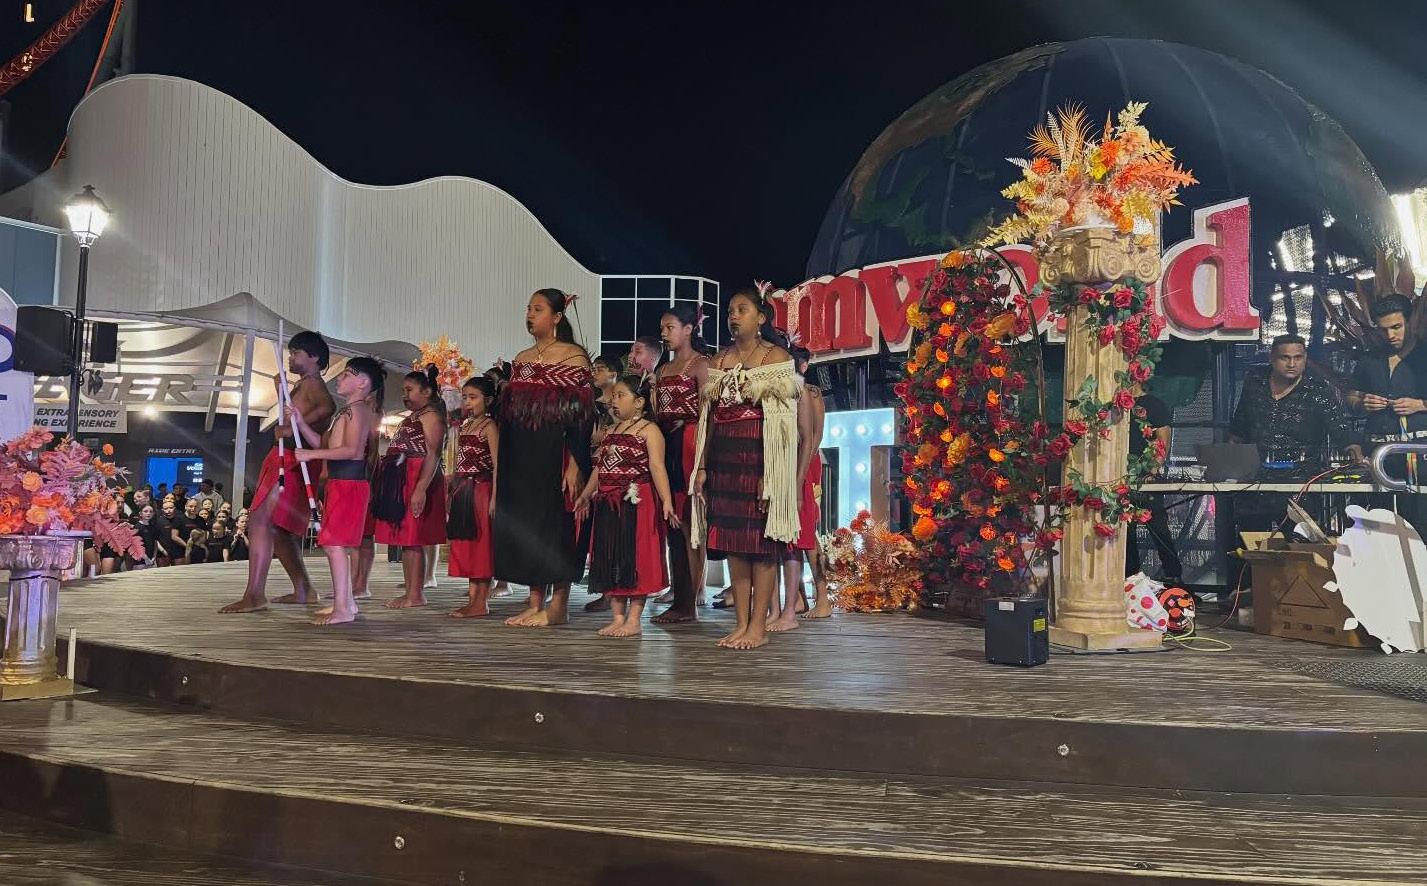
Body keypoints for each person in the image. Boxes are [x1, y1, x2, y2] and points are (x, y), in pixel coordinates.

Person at [691, 286, 802, 650]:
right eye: (730, 311)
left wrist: (772, 475)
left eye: (742, 309)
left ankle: (758, 626)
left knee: (761, 545)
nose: (733, 316)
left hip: (759, 459)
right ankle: (740, 623)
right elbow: (708, 420)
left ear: (761, 318)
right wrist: (702, 467)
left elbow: (784, 427)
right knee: (734, 545)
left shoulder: (775, 357)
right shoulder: (719, 361)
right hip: (724, 460)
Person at [494, 288, 595, 628]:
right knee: (528, 523)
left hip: (557, 452)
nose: (530, 314)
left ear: (557, 317)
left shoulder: (573, 357)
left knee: (556, 525)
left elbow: (582, 418)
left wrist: (575, 463)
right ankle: (535, 602)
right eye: (528, 308)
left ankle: (559, 606)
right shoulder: (522, 358)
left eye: (538, 309)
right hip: (522, 455)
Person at [221, 330, 335, 612]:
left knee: (261, 521)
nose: (290, 358)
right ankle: (303, 589)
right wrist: (282, 395)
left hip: (294, 461)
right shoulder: (304, 385)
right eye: (290, 352)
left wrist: (296, 424)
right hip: (287, 458)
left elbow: (324, 410)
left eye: (296, 353)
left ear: (314, 357)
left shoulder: (315, 387)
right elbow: (290, 421)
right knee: (279, 529)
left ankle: (255, 594)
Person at [575, 373, 676, 637]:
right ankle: (618, 617)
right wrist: (585, 494)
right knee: (611, 555)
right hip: (608, 502)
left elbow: (657, 467)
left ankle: (634, 620)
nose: (614, 401)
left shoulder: (649, 431)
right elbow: (599, 468)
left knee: (636, 556)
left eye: (621, 396)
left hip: (637, 502)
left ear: (639, 402)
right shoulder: (610, 431)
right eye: (614, 396)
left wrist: (666, 500)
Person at [294, 356, 383, 625]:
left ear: (362, 383)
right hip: (340, 483)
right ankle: (347, 603)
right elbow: (327, 445)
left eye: (347, 374)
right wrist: (300, 422)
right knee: (335, 544)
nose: (340, 378)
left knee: (334, 545)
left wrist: (311, 455)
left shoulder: (358, 411)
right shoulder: (349, 411)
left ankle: (342, 608)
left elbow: (352, 451)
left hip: (349, 483)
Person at [651, 304, 712, 624]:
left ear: (688, 329)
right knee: (672, 520)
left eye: (670, 327)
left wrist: (702, 463)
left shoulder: (701, 365)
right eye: (662, 328)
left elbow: (708, 416)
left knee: (690, 522)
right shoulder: (663, 370)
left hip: (690, 443)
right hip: (666, 444)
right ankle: (680, 596)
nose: (664, 333)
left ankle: (689, 599)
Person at [1348, 292, 1427, 533]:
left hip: (1419, 455)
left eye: (1396, 327)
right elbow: (1351, 396)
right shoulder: (1369, 359)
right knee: (1377, 523)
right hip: (1377, 454)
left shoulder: (1424, 356)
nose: (1390, 335)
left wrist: (1420, 405)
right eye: (1383, 329)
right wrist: (1363, 402)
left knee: (1418, 522)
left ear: (1410, 321)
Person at [375, 366, 448, 608]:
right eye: (403, 390)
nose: (404, 395)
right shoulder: (415, 416)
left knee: (414, 536)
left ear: (426, 392)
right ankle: (411, 592)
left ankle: (415, 594)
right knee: (406, 538)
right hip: (404, 477)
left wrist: (420, 489)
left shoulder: (431, 416)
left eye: (409, 390)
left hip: (418, 476)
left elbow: (433, 454)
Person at [770, 343, 826, 630]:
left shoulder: (810, 392)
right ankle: (799, 599)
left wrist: (801, 473)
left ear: (802, 365)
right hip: (782, 463)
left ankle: (823, 596)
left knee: (806, 535)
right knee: (786, 538)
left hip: (804, 465)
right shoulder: (777, 389)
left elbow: (814, 437)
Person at [447, 376, 500, 618]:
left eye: (473, 397)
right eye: (465, 397)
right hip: (464, 490)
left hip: (481, 489)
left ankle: (480, 603)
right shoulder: (466, 425)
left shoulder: (489, 427)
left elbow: (498, 465)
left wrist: (495, 497)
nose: (467, 402)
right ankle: (473, 600)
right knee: (467, 543)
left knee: (480, 545)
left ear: (488, 400)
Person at [1126, 389, 1183, 584]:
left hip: (1146, 478)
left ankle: (1173, 575)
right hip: (1120, 478)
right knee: (1126, 529)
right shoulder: (1115, 404)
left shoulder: (1154, 404)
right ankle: (1130, 578)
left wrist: (1152, 471)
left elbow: (1162, 442)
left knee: (1157, 526)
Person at [154, 497, 178, 566]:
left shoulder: (180, 520)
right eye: (166, 509)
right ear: (162, 510)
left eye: (171, 508)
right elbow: (155, 539)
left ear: (174, 508)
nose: (168, 510)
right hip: (162, 554)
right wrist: (163, 551)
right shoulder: (158, 522)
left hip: (178, 553)